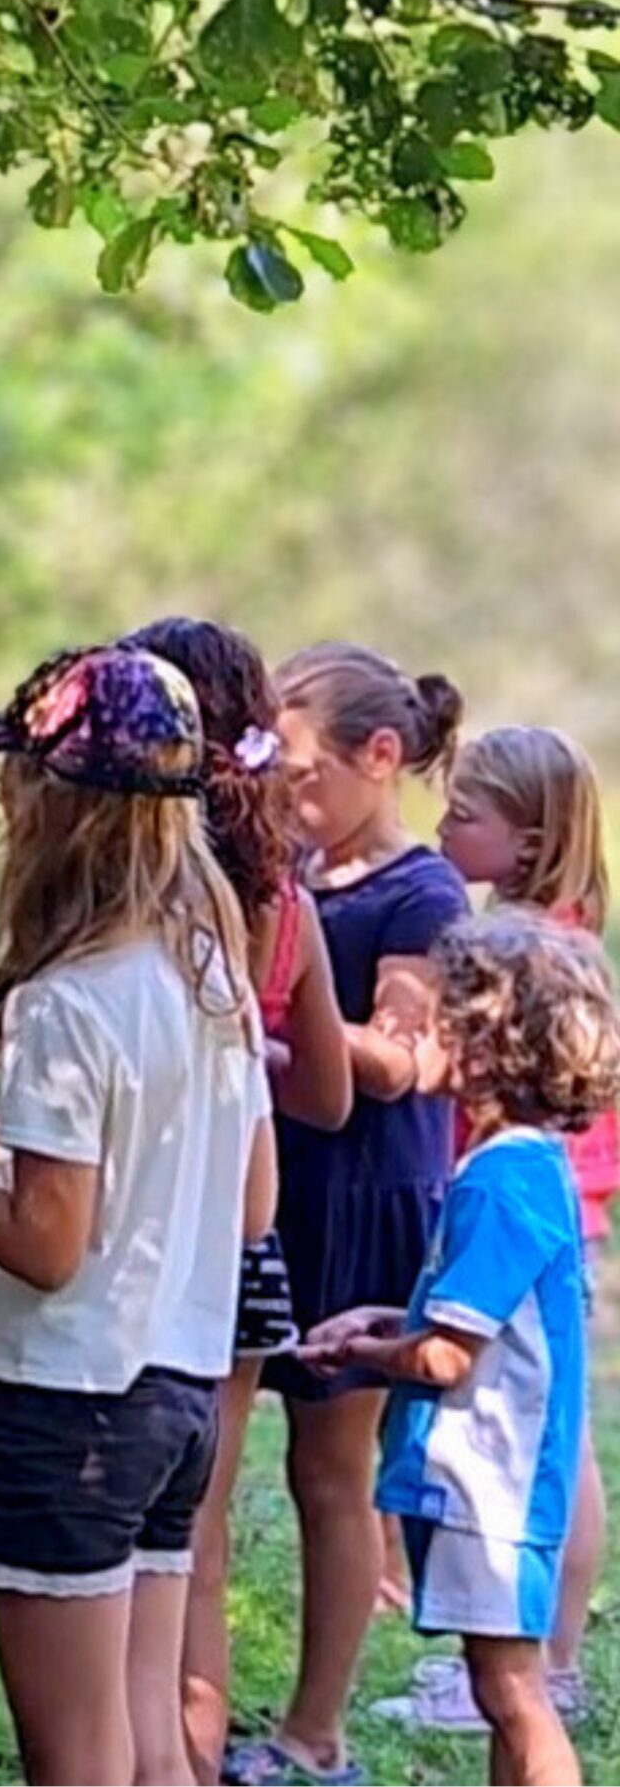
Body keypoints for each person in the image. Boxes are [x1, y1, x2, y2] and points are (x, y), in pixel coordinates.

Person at [0, 646, 274, 1786]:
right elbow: (253, 1204)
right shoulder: (212, 975)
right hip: (179, 1399)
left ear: (55, 809)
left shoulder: (61, 1002)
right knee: (150, 1747)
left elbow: (47, 1246)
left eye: (15, 782)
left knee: (76, 1759)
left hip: (66, 1409)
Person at [301, 910, 620, 1787]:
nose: (415, 1032)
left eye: (437, 1018)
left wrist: (368, 1354)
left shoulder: (497, 1179)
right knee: (505, 1688)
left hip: (494, 1487)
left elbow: (447, 1356)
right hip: (505, 1480)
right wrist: (383, 1318)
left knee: (512, 1690)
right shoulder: (531, 1163)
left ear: (487, 1048)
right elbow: (477, 1316)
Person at [225, 644, 469, 1787]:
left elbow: (409, 1056)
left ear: (380, 756)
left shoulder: (420, 892)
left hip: (366, 1198)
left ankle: (313, 1730)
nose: (286, 795)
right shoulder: (289, 871)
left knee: (327, 1470)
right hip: (276, 1186)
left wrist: (288, 1029)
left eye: (304, 773)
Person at [117, 619, 355, 1783]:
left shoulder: (146, 888)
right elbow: (326, 1093)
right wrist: (250, 1054)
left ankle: (126, 1748)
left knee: (117, 1529)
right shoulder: (281, 899)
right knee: (195, 1530)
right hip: (243, 1240)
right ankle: (188, 1756)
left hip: (142, 1226)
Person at [368, 727, 614, 1734]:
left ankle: (546, 1661)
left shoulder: (534, 954)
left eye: (465, 814)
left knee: (553, 1432)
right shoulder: (513, 937)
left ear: (529, 838)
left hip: (545, 1193)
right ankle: (526, 1659)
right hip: (532, 1185)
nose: (443, 828)